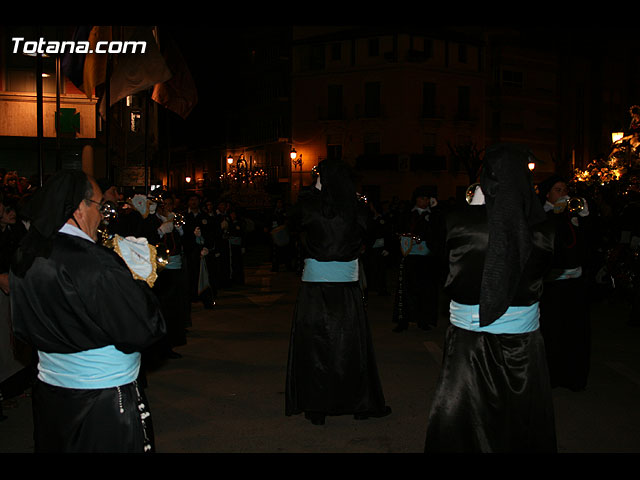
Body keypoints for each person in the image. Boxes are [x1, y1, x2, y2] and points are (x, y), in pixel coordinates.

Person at [9, 170, 165, 453]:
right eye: (99, 207)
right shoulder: (94, 262)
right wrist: (137, 281)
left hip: (52, 392)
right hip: (102, 399)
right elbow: (144, 328)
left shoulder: (27, 251)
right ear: (80, 208)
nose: (103, 216)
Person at [424, 143, 557, 453]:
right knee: (520, 417)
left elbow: (437, 249)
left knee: (464, 418)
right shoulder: (546, 229)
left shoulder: (457, 220)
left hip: (471, 341)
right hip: (522, 345)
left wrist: (476, 208)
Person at [285, 159, 391, 426]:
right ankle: (359, 403)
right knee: (350, 344)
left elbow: (291, 224)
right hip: (345, 285)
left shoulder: (309, 205)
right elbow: (371, 231)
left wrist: (313, 195)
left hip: (315, 286)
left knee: (316, 344)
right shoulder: (356, 208)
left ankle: (316, 407)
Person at [538, 175, 591, 391]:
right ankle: (552, 376)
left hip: (575, 283)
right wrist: (558, 216)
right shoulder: (542, 215)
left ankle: (573, 377)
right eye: (558, 190)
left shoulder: (572, 214)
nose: (564, 194)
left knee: (575, 331)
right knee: (553, 331)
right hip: (552, 285)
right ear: (548, 194)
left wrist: (585, 217)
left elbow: (586, 243)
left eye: (565, 189)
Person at [392, 185, 444, 332]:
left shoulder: (435, 215)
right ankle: (403, 321)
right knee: (406, 291)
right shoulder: (407, 214)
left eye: (428, 199)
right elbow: (397, 230)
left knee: (426, 291)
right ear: (415, 199)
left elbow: (439, 233)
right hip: (409, 257)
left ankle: (424, 320)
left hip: (427, 259)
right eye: (422, 198)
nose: (425, 201)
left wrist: (434, 211)